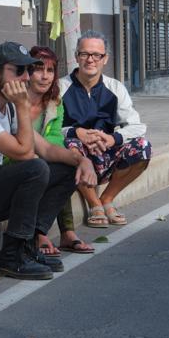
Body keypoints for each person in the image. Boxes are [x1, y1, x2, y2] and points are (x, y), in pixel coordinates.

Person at [0, 42, 96, 280]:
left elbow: (45, 148)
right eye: (18, 71)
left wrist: (82, 160)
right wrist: (23, 105)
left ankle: (30, 244)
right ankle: (12, 255)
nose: (25, 78)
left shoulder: (7, 108)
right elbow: (23, 153)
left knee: (64, 169)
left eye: (27, 71)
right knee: (34, 168)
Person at [58, 31, 152, 228]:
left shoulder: (115, 88)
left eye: (96, 55)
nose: (90, 60)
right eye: (84, 54)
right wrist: (77, 133)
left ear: (105, 59)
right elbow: (47, 129)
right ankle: (94, 205)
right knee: (70, 144)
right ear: (76, 57)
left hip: (105, 152)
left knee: (143, 147)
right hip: (76, 155)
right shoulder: (60, 88)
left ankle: (107, 199)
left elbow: (137, 126)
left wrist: (113, 139)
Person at [25, 45, 93, 255]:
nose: (45, 76)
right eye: (39, 69)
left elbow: (54, 142)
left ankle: (61, 232)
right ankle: (45, 233)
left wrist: (81, 160)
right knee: (51, 165)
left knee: (66, 164)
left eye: (50, 70)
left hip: (42, 159)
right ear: (27, 71)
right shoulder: (15, 101)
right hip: (12, 164)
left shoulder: (54, 102)